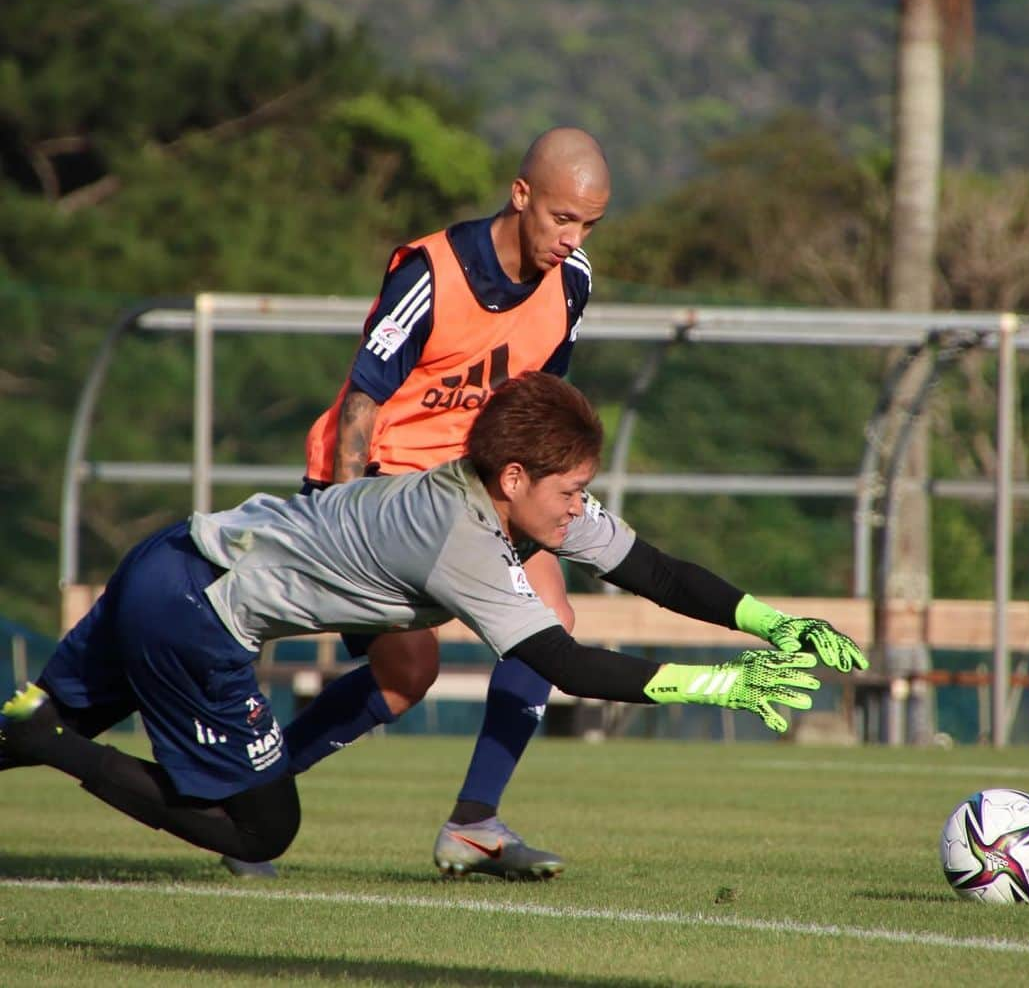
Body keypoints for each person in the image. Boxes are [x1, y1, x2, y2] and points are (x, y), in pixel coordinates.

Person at [0, 373, 868, 872]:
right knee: (259, 831)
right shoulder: (464, 540)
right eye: (569, 493)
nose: (579, 512)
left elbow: (655, 571)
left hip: (169, 559)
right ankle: (53, 744)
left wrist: (774, 623)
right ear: (519, 475)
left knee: (36, 715)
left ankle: (36, 731)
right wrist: (720, 684)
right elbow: (565, 663)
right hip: (197, 613)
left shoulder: (519, 498)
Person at [271, 126, 610, 880]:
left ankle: (474, 823)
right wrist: (345, 514)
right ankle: (248, 791)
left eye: (589, 224)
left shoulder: (573, 280)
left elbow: (538, 397)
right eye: (562, 218)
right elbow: (362, 399)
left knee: (549, 624)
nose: (573, 238)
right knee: (406, 675)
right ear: (521, 195)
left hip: (479, 482)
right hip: (380, 484)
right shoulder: (432, 270)